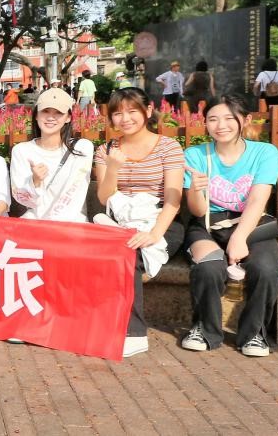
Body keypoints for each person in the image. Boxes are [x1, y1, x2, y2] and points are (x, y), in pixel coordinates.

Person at [180, 96, 278, 357]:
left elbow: (258, 199)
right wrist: (195, 189)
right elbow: (198, 211)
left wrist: (239, 238)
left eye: (228, 118)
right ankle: (204, 330)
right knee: (208, 267)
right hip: (207, 224)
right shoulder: (195, 155)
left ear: (245, 120)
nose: (220, 125)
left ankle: (255, 334)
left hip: (251, 223)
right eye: (213, 119)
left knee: (266, 269)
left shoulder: (265, 153)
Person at [92, 87, 185, 358]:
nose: (125, 119)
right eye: (118, 113)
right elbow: (104, 197)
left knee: (128, 255)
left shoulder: (168, 147)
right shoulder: (106, 150)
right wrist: (113, 168)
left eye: (132, 111)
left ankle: (134, 333)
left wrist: (154, 234)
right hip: (120, 221)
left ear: (148, 111)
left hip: (161, 221)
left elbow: (173, 200)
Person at [9, 88, 94, 222]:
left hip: (72, 224)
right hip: (36, 224)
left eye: (58, 112)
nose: (50, 118)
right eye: (45, 111)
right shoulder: (21, 151)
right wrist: (35, 181)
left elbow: (76, 194)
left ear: (68, 117)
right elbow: (23, 200)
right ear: (36, 115)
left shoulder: (82, 148)